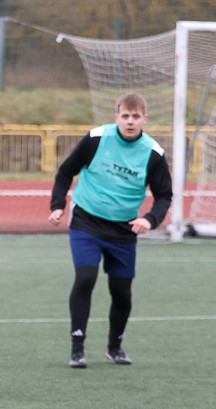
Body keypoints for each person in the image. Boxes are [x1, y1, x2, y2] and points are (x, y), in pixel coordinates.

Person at [49, 92, 172, 369]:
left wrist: (150, 220)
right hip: (87, 221)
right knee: (86, 277)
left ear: (144, 119)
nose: (130, 121)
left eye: (136, 116)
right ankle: (77, 348)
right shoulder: (96, 138)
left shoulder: (153, 154)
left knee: (122, 291)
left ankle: (115, 347)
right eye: (125, 116)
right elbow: (65, 172)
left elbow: (164, 195)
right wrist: (58, 205)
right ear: (116, 117)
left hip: (124, 230)